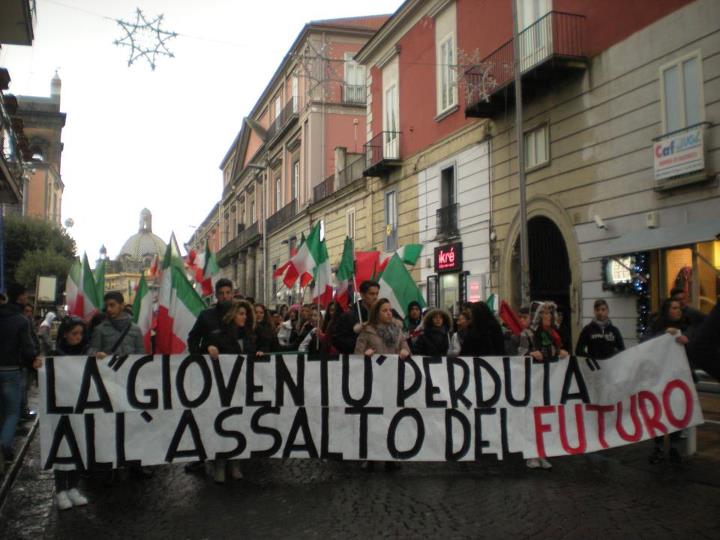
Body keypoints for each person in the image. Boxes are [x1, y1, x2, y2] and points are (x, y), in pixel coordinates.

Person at [206, 300, 259, 482]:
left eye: (246, 314)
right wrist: (209, 349)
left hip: (243, 388)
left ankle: (236, 463)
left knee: (240, 425)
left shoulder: (250, 337)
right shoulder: (217, 335)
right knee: (224, 425)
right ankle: (220, 464)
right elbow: (201, 351)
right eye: (241, 314)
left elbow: (252, 357)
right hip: (223, 389)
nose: (244, 317)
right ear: (233, 315)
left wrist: (259, 355)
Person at [519, 301, 568, 470]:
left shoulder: (554, 334)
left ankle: (543, 452)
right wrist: (530, 353)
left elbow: (557, 350)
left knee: (546, 416)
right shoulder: (528, 333)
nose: (547, 316)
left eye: (549, 313)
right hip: (533, 380)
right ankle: (532, 453)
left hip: (550, 379)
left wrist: (561, 353)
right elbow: (520, 355)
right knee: (532, 416)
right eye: (543, 313)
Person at [643, 298, 692, 464]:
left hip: (679, 379)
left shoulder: (686, 326)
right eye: (674, 308)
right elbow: (645, 343)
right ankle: (658, 447)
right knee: (658, 411)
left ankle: (674, 447)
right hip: (659, 378)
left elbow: (697, 341)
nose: (678, 311)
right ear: (667, 310)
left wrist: (687, 339)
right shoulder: (657, 326)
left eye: (679, 308)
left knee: (677, 411)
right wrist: (663, 335)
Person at [0, 284, 41, 471]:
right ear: (21, 297)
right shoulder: (20, 320)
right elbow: (28, 348)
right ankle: (5, 447)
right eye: (26, 294)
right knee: (12, 412)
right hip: (11, 370)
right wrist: (33, 360)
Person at [52, 318, 90, 510]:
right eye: (74, 333)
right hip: (60, 406)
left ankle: (74, 487)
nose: (78, 337)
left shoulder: (87, 352)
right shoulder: (54, 354)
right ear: (65, 334)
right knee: (61, 448)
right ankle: (60, 490)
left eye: (81, 334)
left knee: (78, 446)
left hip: (80, 406)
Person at [88, 292, 145, 359]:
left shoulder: (135, 329)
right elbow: (92, 351)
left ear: (122, 305)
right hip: (108, 368)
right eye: (106, 306)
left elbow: (140, 353)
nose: (108, 309)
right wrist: (96, 354)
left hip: (129, 368)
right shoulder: (99, 329)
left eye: (112, 305)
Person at [187, 278, 234, 354]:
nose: (225, 296)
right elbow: (193, 339)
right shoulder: (206, 315)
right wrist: (201, 356)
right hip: (210, 363)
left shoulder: (240, 315)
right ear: (216, 295)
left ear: (232, 294)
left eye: (228, 293)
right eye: (221, 293)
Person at [333, 280, 380, 354]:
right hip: (356, 359)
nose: (375, 297)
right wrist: (360, 344)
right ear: (362, 295)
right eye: (372, 294)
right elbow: (337, 339)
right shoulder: (349, 316)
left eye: (377, 294)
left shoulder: (381, 313)